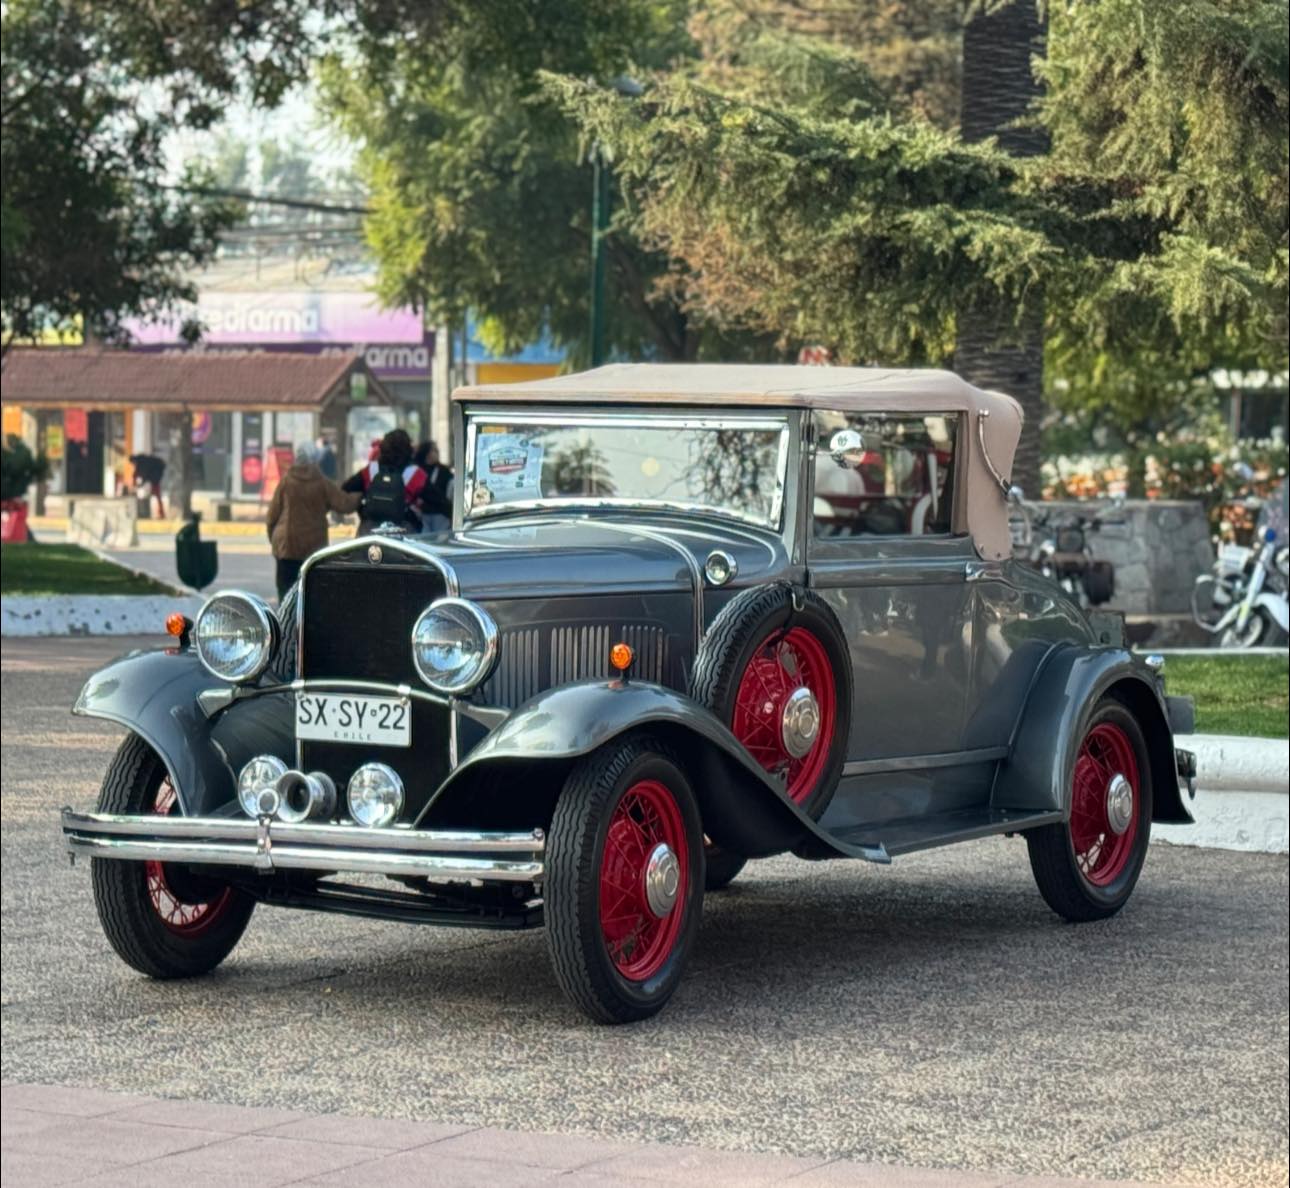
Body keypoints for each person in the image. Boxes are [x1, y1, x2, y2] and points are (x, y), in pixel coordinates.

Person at [266, 442, 361, 600]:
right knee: (309, 594)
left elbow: (272, 516)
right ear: (315, 459)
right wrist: (361, 496)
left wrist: (274, 540)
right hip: (313, 549)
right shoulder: (321, 482)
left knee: (285, 593)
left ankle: (285, 615)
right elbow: (344, 504)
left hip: (287, 546)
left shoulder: (286, 481)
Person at [343, 428, 427, 534]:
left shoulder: (370, 470)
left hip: (370, 529)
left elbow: (346, 489)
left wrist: (363, 508)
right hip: (404, 530)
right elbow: (437, 501)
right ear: (408, 449)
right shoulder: (416, 474)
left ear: (383, 448)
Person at [413, 439, 454, 533]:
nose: (437, 452)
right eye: (434, 450)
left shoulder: (443, 470)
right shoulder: (418, 469)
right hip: (422, 513)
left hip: (440, 512)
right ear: (427, 453)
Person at [128, 452, 166, 518]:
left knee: (156, 494)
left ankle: (161, 512)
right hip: (154, 476)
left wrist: (139, 484)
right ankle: (160, 512)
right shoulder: (142, 461)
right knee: (156, 495)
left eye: (133, 463)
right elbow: (139, 474)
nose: (134, 465)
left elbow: (142, 474)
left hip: (155, 476)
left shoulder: (142, 463)